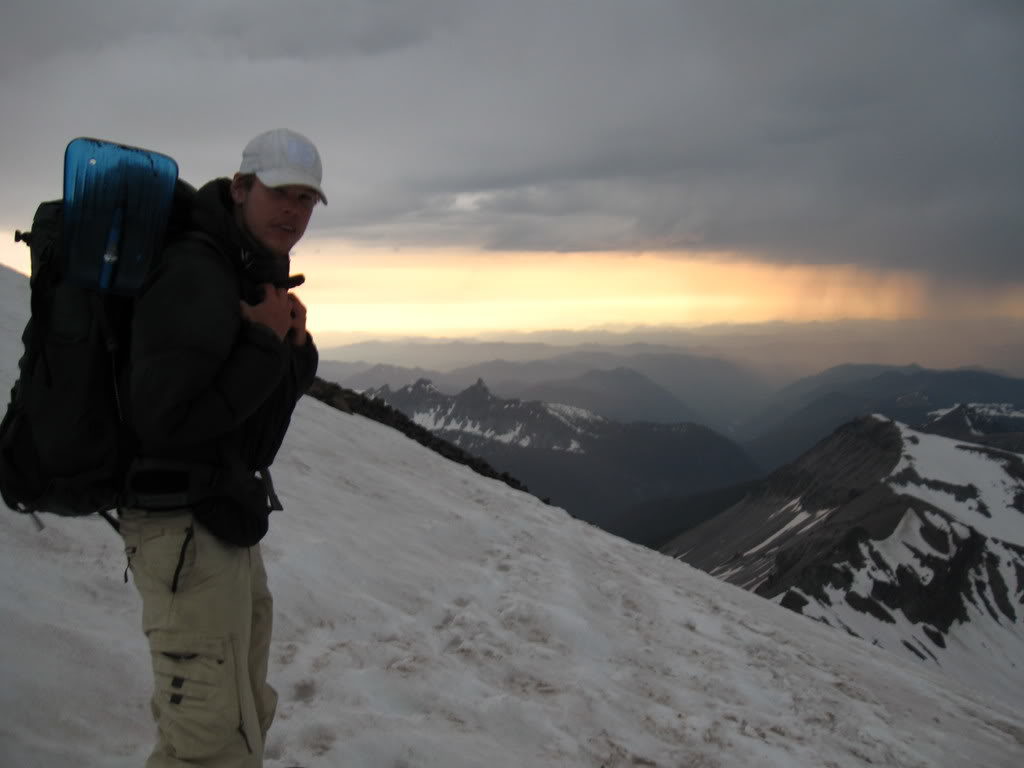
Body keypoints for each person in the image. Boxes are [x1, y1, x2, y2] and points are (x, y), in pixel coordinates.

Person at [118, 128, 325, 767]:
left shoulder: (243, 274)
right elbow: (164, 422)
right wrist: (265, 344)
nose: (293, 211)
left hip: (218, 520)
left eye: (307, 200)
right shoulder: (195, 271)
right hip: (182, 530)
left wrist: (293, 349)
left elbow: (254, 433)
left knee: (237, 712)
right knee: (209, 741)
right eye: (280, 193)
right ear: (240, 188)